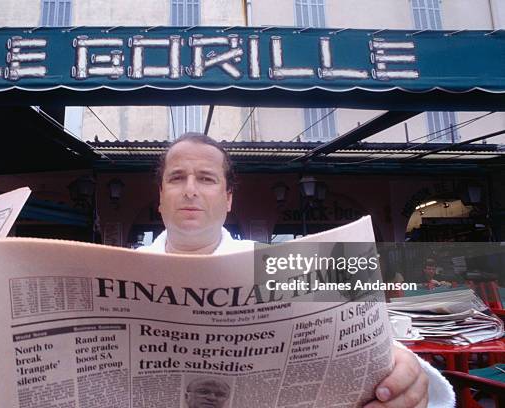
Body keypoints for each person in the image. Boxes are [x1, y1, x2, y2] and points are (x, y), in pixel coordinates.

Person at [139, 132, 454, 408]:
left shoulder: (279, 264)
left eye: (206, 178)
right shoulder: (119, 267)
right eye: (177, 177)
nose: (190, 189)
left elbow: (363, 340)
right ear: (161, 198)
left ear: (228, 199)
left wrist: (406, 373)